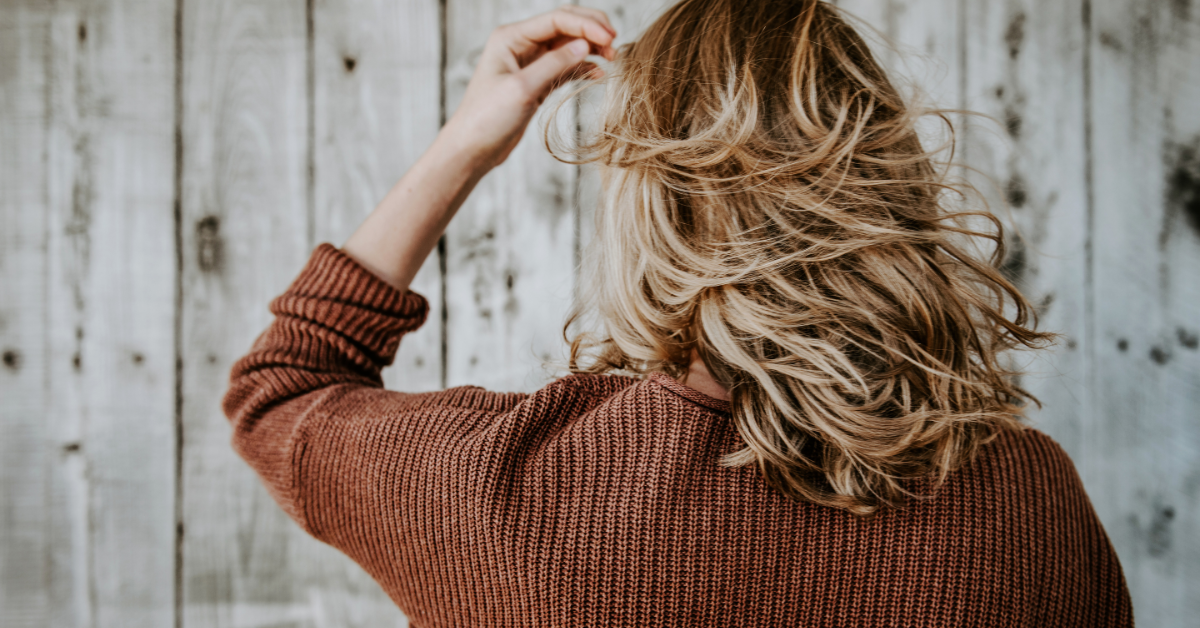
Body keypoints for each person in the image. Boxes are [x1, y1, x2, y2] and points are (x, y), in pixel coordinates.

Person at [222, 1, 1133, 625]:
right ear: (889, 187)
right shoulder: (1030, 504)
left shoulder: (503, 491)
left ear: (650, 210)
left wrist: (468, 141)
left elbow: (283, 387)